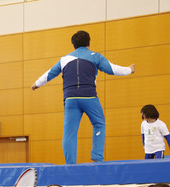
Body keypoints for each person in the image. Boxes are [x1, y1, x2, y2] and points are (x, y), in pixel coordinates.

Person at [31, 30, 135, 164]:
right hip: (89, 97)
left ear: (73, 44)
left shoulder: (64, 59)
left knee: (69, 133)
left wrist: (37, 83)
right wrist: (129, 69)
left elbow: (50, 73)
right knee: (99, 124)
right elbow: (112, 69)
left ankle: (70, 164)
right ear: (89, 43)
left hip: (70, 99)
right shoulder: (95, 56)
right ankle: (97, 156)